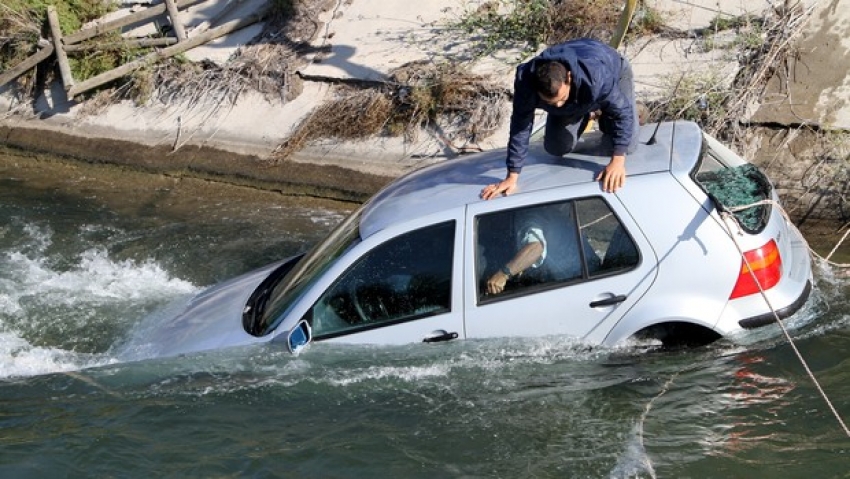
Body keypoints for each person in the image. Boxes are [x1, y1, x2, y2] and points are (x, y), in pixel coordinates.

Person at [480, 38, 640, 200]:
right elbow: (520, 127)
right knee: (556, 148)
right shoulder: (526, 83)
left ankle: (606, 111)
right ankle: (589, 112)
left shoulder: (596, 76)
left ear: (569, 78)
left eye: (562, 99)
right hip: (581, 96)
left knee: (628, 145)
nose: (558, 106)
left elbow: (622, 112)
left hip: (612, 69)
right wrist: (512, 176)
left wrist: (617, 161)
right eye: (551, 103)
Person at [484, 206, 595, 295]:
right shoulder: (541, 206)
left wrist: (503, 274)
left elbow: (536, 247)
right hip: (587, 266)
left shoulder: (529, 217)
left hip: (579, 280)